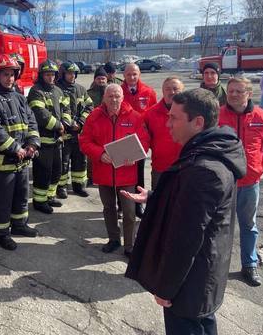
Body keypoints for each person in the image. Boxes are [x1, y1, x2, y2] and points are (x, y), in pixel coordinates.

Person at [124, 88, 246, 335]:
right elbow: (196, 207)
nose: (167, 124)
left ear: (198, 122)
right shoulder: (212, 153)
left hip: (190, 281)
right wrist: (156, 196)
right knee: (205, 328)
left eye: (175, 118)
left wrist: (165, 288)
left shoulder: (203, 170)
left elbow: (186, 239)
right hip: (203, 277)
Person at [219, 77, 263, 286]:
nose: (233, 94)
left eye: (238, 91)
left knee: (248, 225)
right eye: (230, 91)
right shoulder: (217, 116)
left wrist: (257, 165)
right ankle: (216, 266)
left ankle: (249, 265)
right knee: (219, 226)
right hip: (223, 183)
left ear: (249, 94)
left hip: (249, 184)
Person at [0, 55, 41, 250]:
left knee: (21, 196)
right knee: (2, 200)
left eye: (12, 74)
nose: (10, 78)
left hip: (22, 160)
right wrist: (16, 149)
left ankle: (19, 225)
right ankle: (1, 232)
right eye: (5, 74)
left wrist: (32, 144)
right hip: (4, 161)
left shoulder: (19, 97)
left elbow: (31, 122)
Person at [79, 84, 148, 256]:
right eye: (110, 96)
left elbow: (144, 141)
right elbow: (84, 141)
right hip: (104, 172)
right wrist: (100, 154)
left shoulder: (135, 117)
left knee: (130, 212)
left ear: (123, 97)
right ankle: (114, 239)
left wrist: (136, 155)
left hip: (127, 173)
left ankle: (130, 245)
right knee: (109, 208)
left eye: (117, 96)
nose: (114, 99)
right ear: (104, 98)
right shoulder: (94, 116)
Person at [27, 59, 72, 214]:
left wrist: (65, 123)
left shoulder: (58, 91)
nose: (50, 77)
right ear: (41, 75)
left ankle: (50, 196)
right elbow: (40, 114)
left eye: (53, 74)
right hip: (43, 141)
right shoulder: (36, 91)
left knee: (56, 171)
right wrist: (59, 126)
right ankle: (39, 201)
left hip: (57, 141)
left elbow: (66, 108)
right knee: (43, 172)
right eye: (47, 74)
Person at [121, 63, 157, 209]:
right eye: (128, 74)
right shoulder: (119, 91)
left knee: (139, 171)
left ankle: (138, 205)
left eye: (134, 74)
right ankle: (121, 204)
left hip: (140, 139)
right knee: (121, 171)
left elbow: (153, 115)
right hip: (122, 138)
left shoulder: (148, 92)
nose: (132, 77)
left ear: (139, 74)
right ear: (124, 75)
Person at [56, 62, 93, 198]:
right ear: (62, 74)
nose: (72, 76)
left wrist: (81, 122)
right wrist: (68, 123)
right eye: (69, 73)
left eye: (74, 73)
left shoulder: (81, 89)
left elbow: (89, 107)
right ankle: (62, 187)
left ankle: (78, 186)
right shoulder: (57, 89)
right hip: (64, 133)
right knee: (63, 162)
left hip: (79, 132)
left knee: (80, 160)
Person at [142, 76, 184, 189]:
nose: (172, 92)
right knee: (158, 203)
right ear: (163, 91)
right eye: (168, 89)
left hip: (185, 168)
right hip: (160, 169)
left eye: (176, 89)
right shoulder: (150, 114)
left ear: (182, 91)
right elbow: (143, 140)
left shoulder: (191, 112)